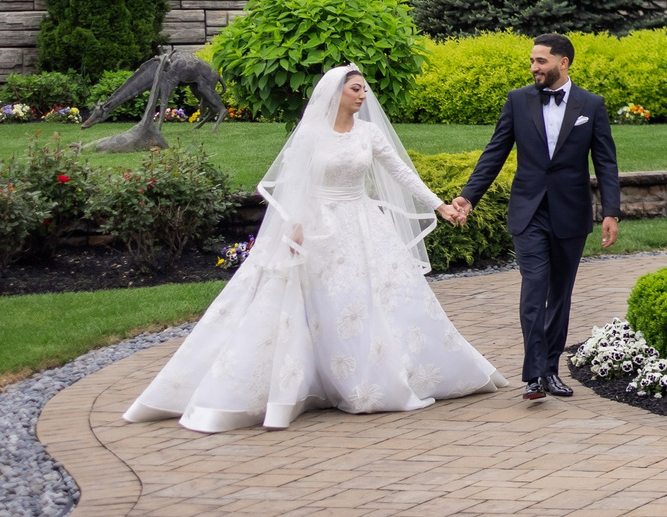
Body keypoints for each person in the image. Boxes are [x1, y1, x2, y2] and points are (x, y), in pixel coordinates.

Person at [123, 65, 506, 432]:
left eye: (364, 89)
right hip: (319, 226)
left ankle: (373, 377)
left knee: (370, 300)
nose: (363, 95)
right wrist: (296, 226)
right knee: (318, 303)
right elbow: (295, 183)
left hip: (363, 224)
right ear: (335, 93)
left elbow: (400, 172)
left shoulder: (369, 133)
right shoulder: (310, 134)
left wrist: (439, 205)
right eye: (355, 88)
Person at [443, 33, 619, 401]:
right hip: (529, 212)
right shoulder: (517, 101)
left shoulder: (592, 105)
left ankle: (550, 369)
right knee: (534, 288)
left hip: (571, 213)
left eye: (541, 61)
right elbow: (495, 152)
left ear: (563, 63)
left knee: (560, 295)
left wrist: (611, 211)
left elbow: (605, 162)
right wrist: (469, 196)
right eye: (532, 61)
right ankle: (534, 375)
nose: (534, 67)